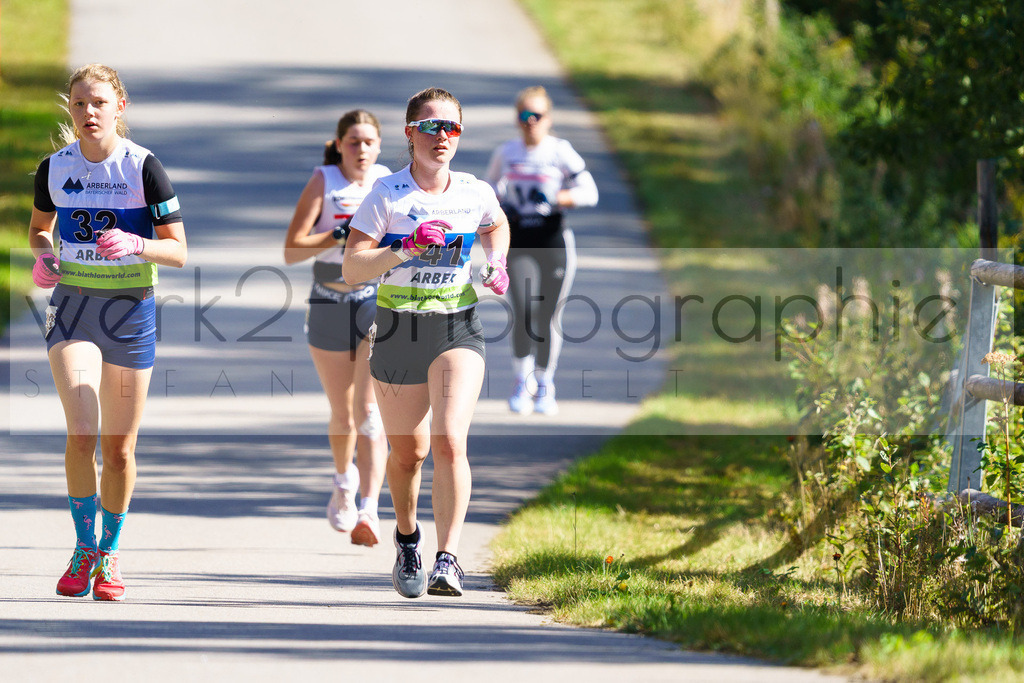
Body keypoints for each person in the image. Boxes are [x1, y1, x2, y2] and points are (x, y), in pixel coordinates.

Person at [28, 64, 187, 601]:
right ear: (69, 109)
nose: (88, 113)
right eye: (78, 104)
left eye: (98, 103)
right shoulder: (54, 167)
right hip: (73, 311)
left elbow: (180, 250)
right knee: (81, 433)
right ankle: (82, 548)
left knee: (118, 450)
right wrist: (44, 258)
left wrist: (138, 245)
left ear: (119, 107)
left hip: (131, 315)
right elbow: (38, 230)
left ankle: (110, 555)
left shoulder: (143, 167)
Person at [343, 87, 510, 598]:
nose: (443, 137)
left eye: (452, 128)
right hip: (397, 330)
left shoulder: (473, 190)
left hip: (456, 325)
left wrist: (496, 262)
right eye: (432, 127)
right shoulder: (387, 195)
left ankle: (448, 558)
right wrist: (404, 247)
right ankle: (409, 538)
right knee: (408, 454)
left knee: (449, 441)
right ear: (410, 131)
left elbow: (496, 225)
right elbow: (352, 269)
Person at [283, 110, 390, 546]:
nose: (361, 150)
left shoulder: (388, 182)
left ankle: (370, 507)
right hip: (327, 303)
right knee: (342, 412)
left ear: (380, 145)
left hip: (373, 303)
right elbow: (292, 250)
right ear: (339, 144)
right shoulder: (324, 181)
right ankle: (343, 484)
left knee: (368, 411)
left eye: (368, 142)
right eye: (353, 142)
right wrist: (336, 237)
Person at [485, 85, 598, 416]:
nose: (531, 121)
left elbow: (589, 191)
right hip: (518, 241)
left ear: (549, 119)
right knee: (522, 309)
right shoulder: (506, 153)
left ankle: (545, 383)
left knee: (548, 316)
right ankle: (522, 380)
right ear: (517, 119)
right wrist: (501, 204)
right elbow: (488, 190)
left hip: (553, 243)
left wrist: (558, 199)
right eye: (525, 115)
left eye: (538, 115)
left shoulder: (560, 152)